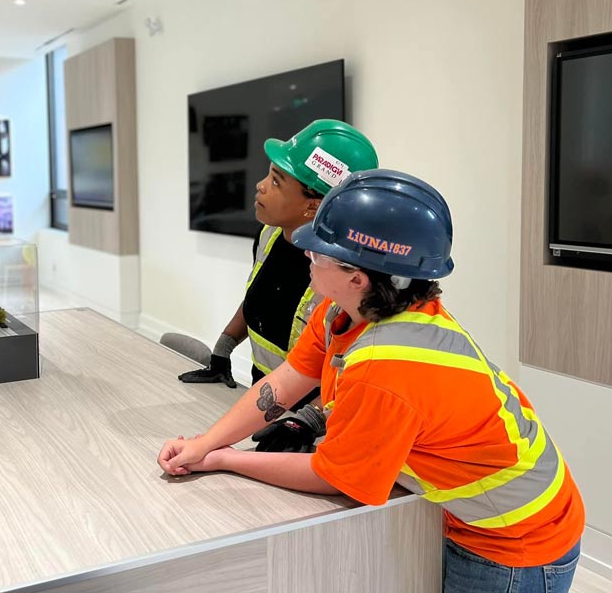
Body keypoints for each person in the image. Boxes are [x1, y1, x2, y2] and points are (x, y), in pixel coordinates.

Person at [158, 169, 585, 593]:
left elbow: (335, 477)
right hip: (476, 512)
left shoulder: (385, 364)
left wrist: (225, 459)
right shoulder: (344, 312)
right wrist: (207, 442)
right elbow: (287, 381)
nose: (307, 255)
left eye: (319, 252)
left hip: (516, 541)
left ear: (358, 277)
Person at [177, 119, 378, 450]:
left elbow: (359, 376)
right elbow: (260, 296)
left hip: (318, 424)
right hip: (268, 395)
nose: (260, 186)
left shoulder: (347, 277)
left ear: (314, 206)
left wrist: (310, 421)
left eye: (276, 181)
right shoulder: (270, 235)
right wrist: (225, 348)